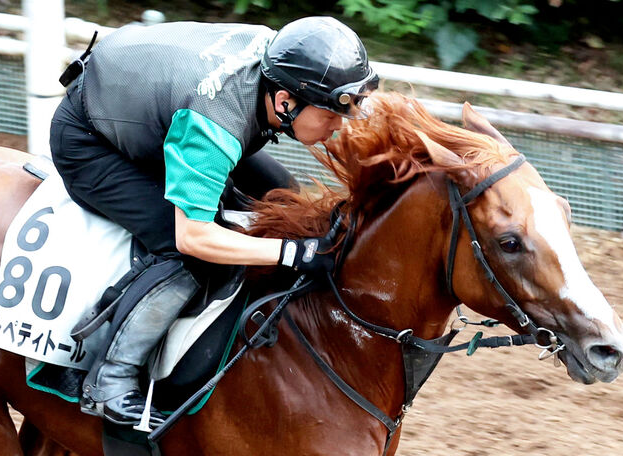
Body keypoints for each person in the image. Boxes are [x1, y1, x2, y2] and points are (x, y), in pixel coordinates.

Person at [49, 16, 379, 428]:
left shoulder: (275, 63)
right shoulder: (215, 124)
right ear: (284, 103)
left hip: (161, 111)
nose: (338, 124)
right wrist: (290, 253)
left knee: (283, 193)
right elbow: (194, 238)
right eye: (330, 112)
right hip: (88, 142)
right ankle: (109, 378)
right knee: (187, 251)